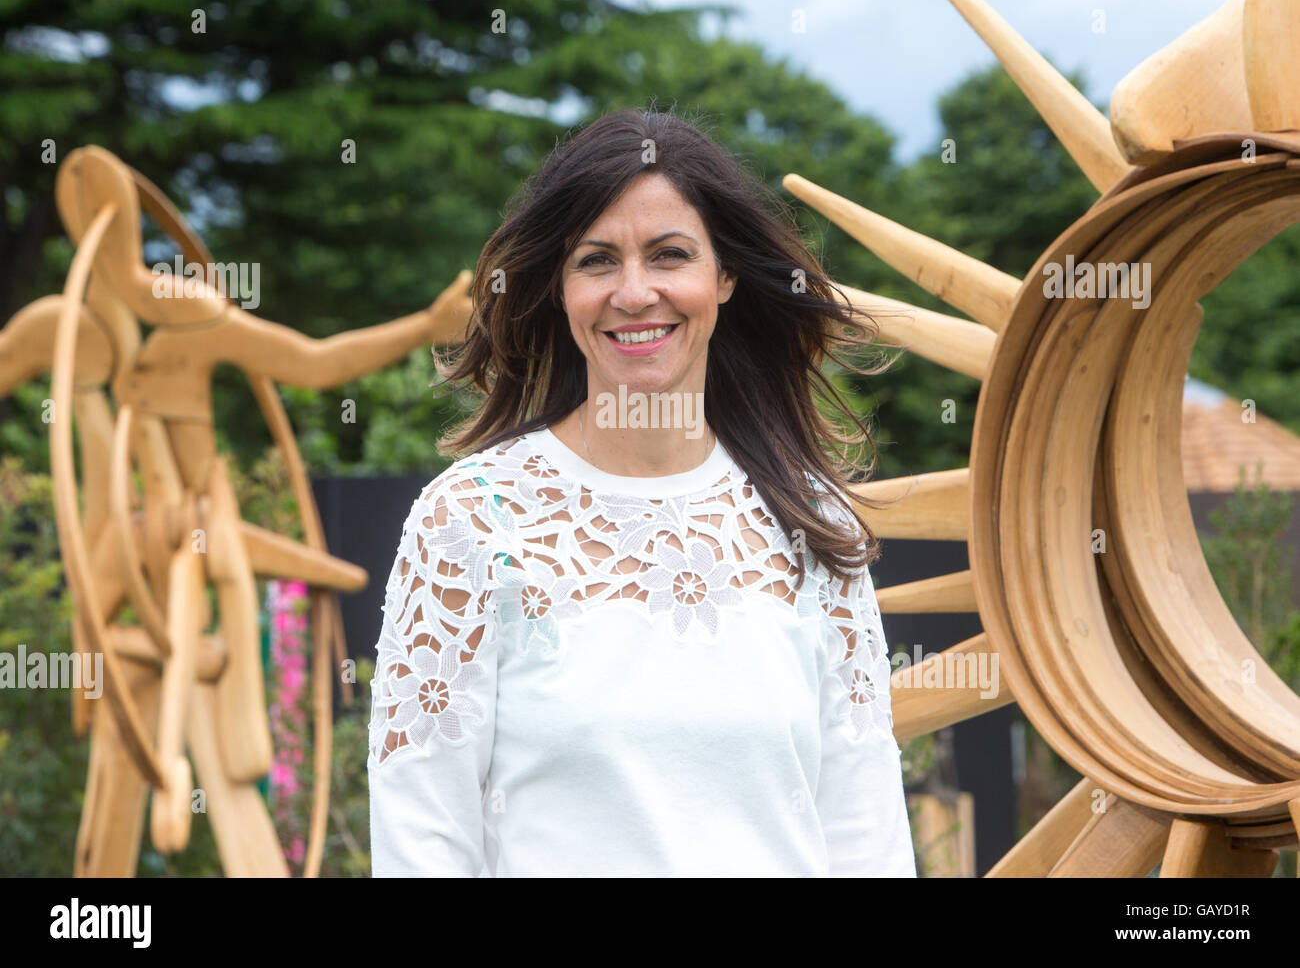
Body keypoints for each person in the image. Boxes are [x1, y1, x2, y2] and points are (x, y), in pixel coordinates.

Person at [366, 106, 917, 877]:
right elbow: (423, 840)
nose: (634, 292)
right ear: (559, 288)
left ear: (723, 276)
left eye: (668, 255)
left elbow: (867, 838)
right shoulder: (468, 522)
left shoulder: (811, 521)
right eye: (596, 260)